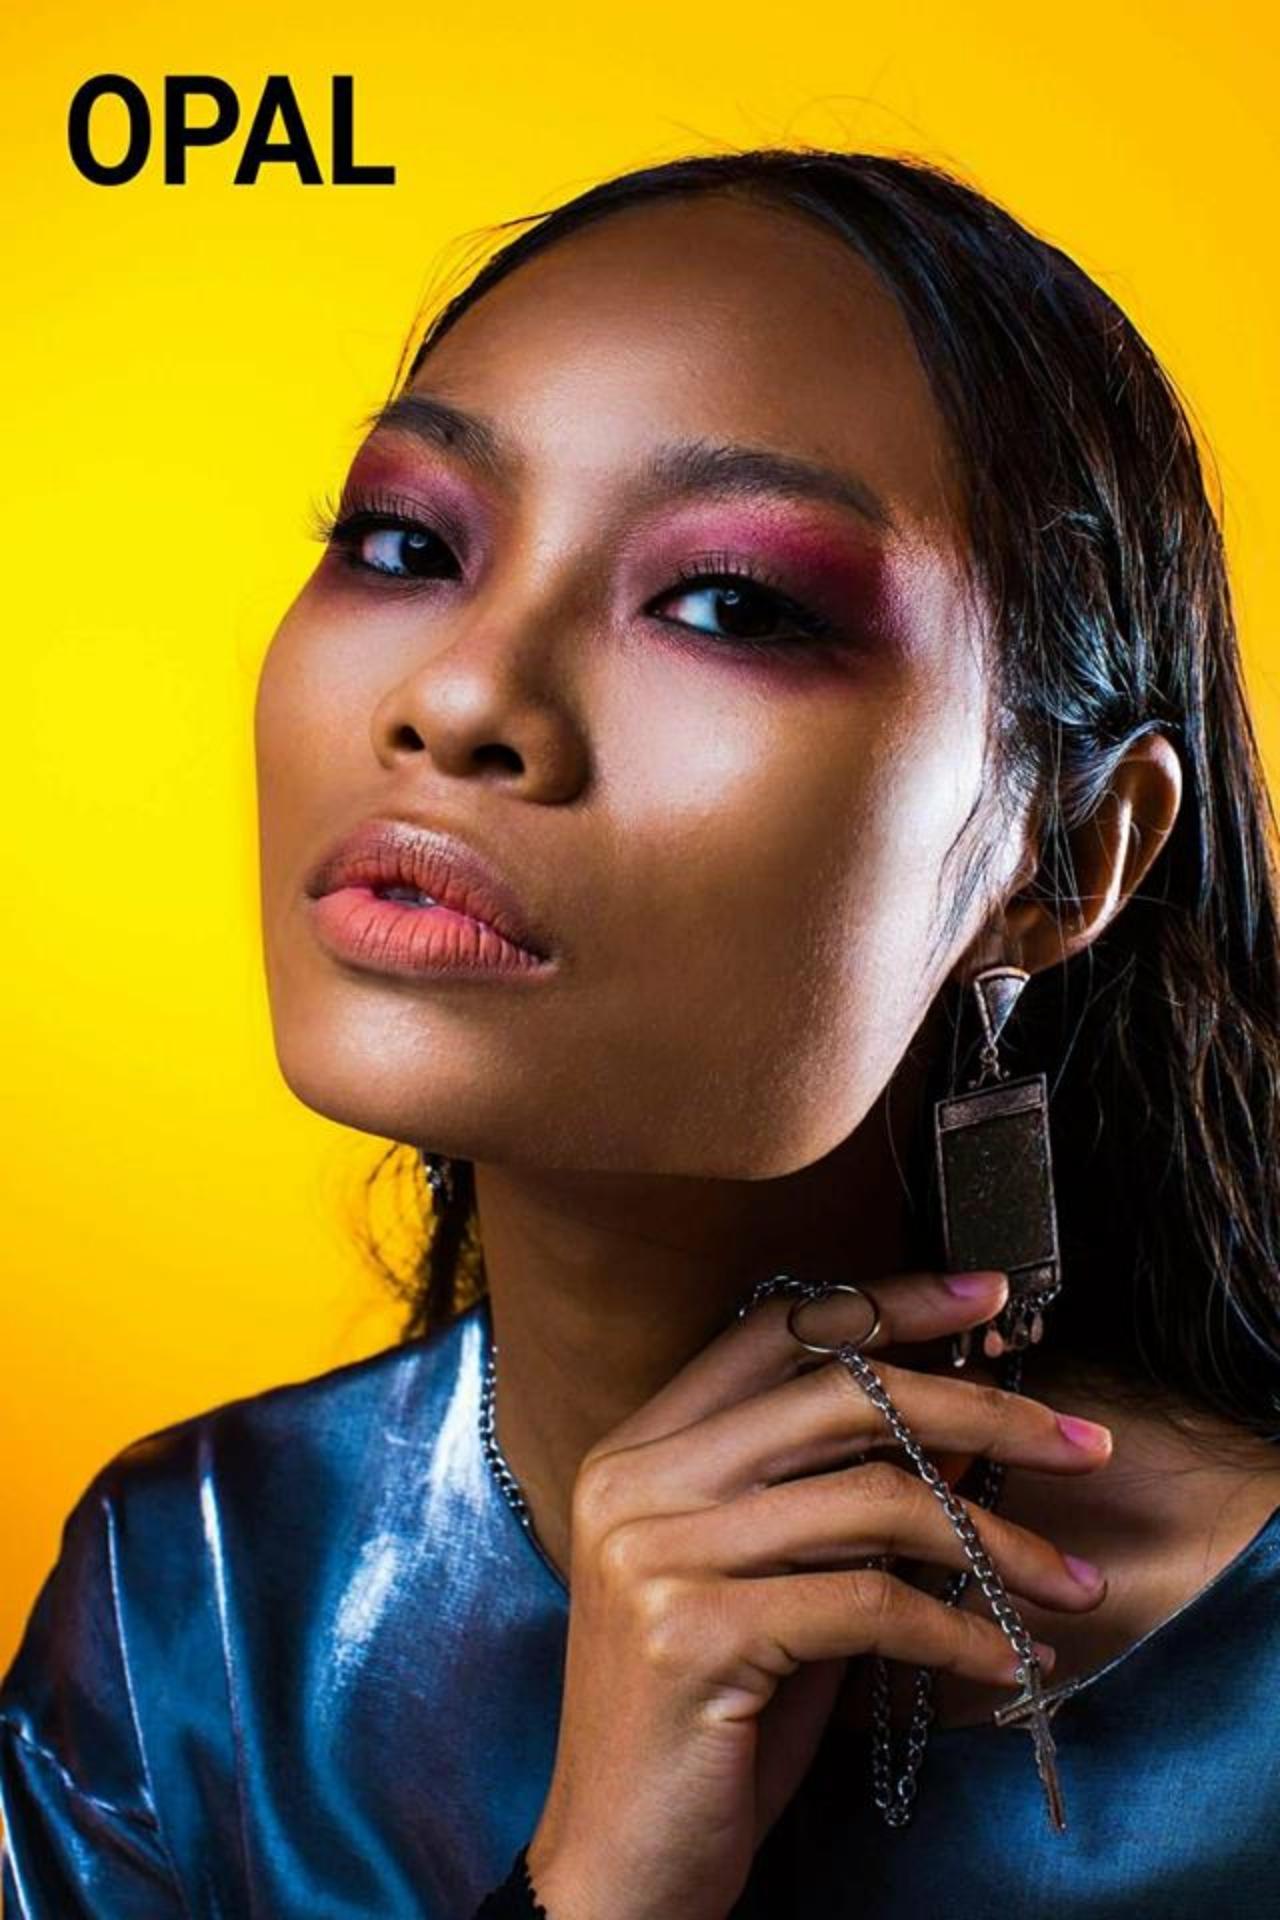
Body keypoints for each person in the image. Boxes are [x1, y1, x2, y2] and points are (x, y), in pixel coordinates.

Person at [4, 145, 1280, 1920]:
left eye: (730, 604)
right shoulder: (201, 1599)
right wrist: (599, 1884)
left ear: (1067, 859)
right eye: (408, 544)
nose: (461, 696)